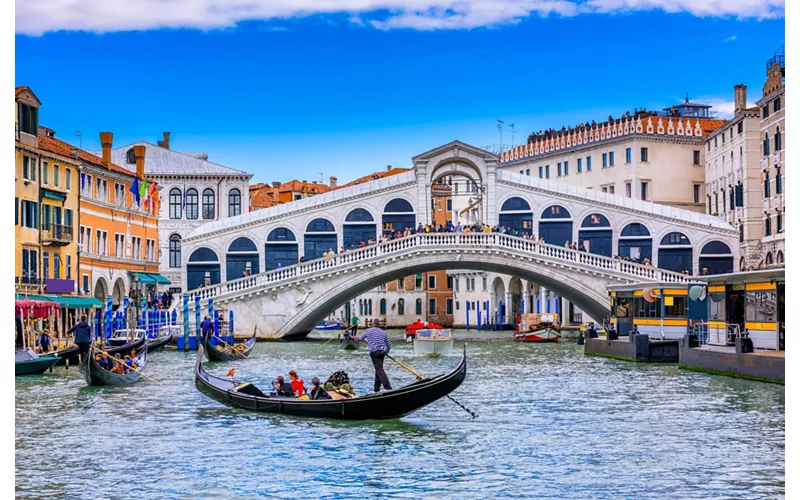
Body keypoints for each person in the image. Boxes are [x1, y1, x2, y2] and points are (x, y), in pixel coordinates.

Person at [358, 318, 392, 393]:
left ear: (373, 324)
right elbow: (389, 346)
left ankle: (388, 387)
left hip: (374, 353)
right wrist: (386, 352)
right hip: (381, 353)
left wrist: (365, 340)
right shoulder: (383, 332)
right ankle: (377, 389)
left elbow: (360, 339)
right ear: (378, 324)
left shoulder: (368, 331)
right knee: (378, 370)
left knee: (379, 370)